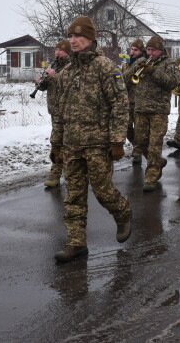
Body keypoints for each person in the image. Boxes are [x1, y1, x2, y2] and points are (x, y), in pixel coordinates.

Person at [50, 16, 132, 263]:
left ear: (90, 38)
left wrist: (117, 141)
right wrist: (56, 143)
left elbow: (120, 106)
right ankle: (76, 243)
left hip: (98, 143)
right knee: (73, 196)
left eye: (78, 36)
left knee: (102, 190)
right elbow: (59, 111)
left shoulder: (105, 68)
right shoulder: (66, 72)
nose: (73, 40)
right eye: (70, 36)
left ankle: (122, 211)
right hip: (71, 144)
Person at [132, 35, 180, 192]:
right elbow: (126, 79)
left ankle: (151, 177)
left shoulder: (170, 63)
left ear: (160, 50)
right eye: (148, 49)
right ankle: (158, 162)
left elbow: (173, 82)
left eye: (153, 50)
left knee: (154, 145)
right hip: (141, 109)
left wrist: (152, 71)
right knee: (140, 142)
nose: (150, 53)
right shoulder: (142, 61)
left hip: (158, 111)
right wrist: (134, 65)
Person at [39, 39, 72, 188]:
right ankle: (56, 175)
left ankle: (62, 174)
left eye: (61, 50)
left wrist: (54, 76)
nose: (57, 53)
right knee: (57, 143)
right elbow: (44, 87)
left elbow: (68, 84)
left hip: (67, 111)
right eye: (56, 50)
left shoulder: (71, 66)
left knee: (64, 144)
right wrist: (40, 82)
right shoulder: (54, 65)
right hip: (55, 110)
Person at [121, 38, 146, 165]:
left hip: (141, 101)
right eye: (131, 49)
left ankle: (137, 153)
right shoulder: (127, 64)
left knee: (140, 130)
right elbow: (123, 79)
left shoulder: (146, 63)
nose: (132, 52)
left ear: (141, 51)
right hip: (128, 100)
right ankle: (138, 146)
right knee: (127, 127)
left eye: (135, 50)